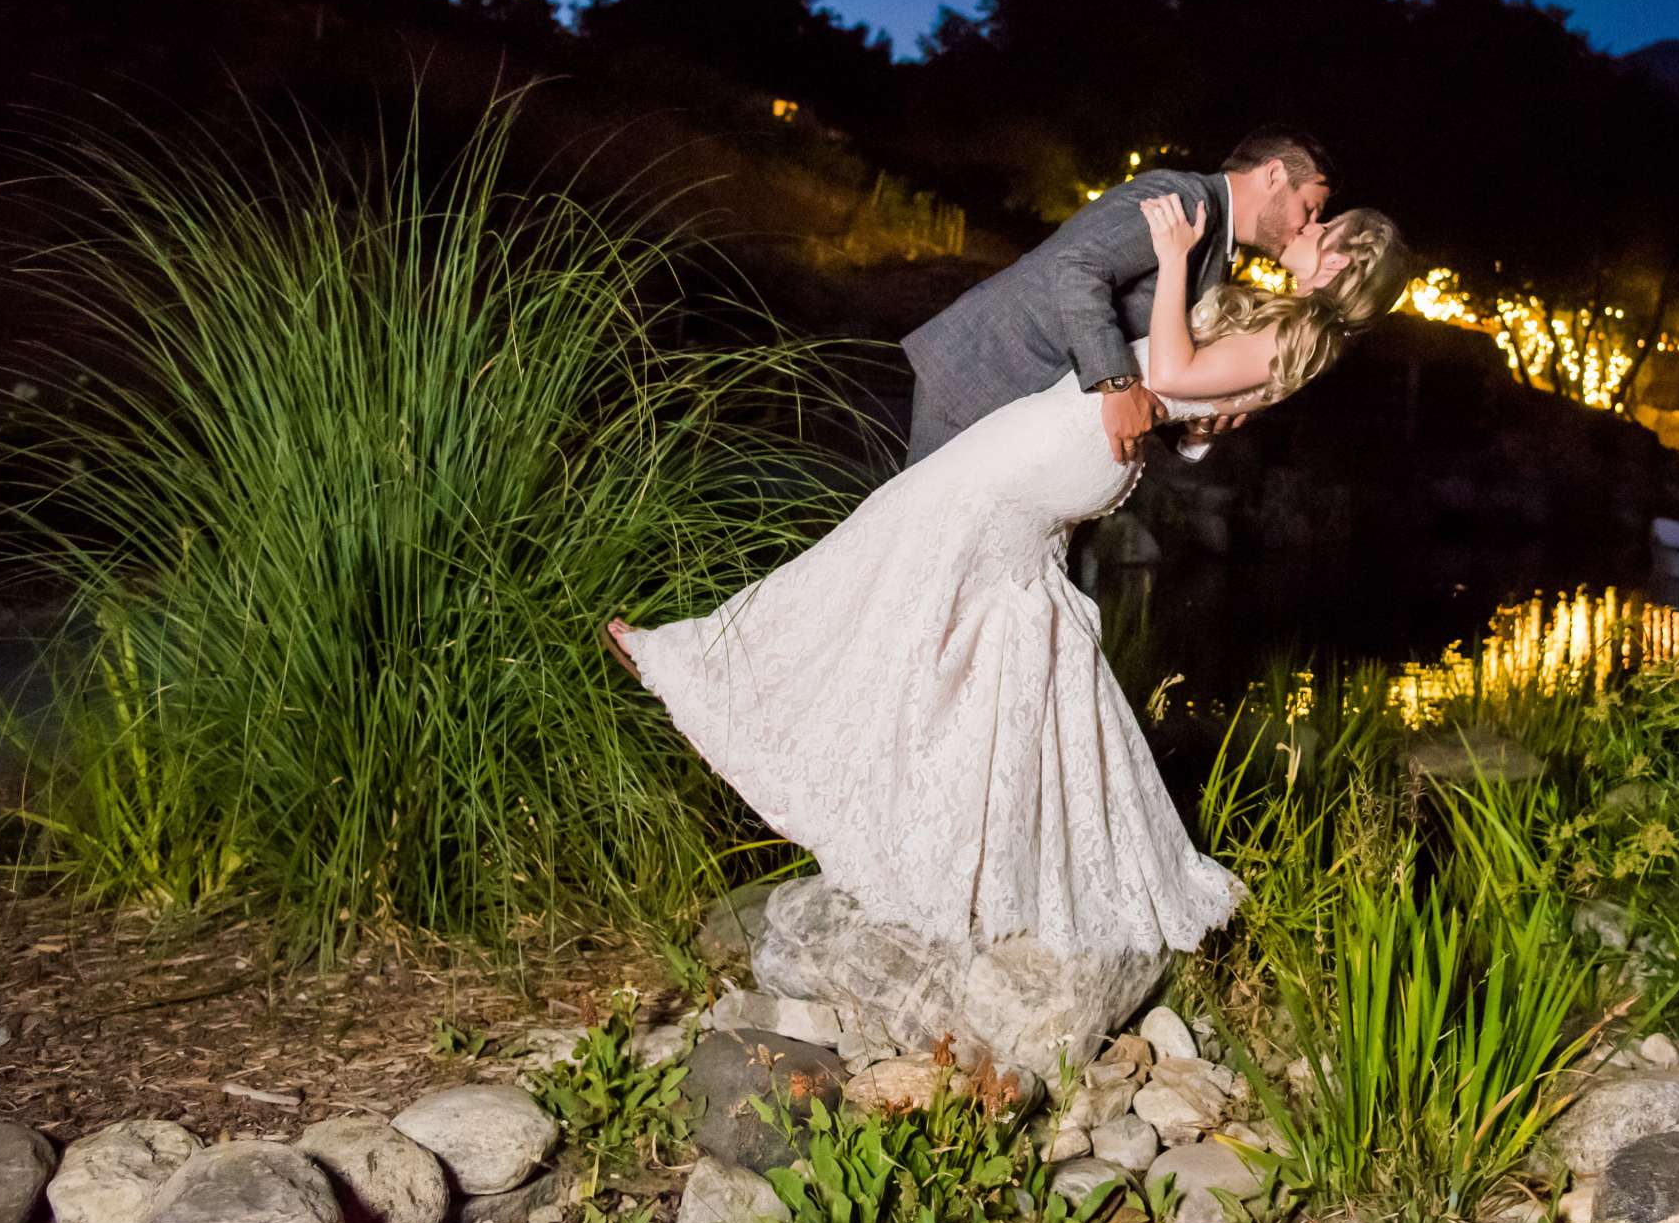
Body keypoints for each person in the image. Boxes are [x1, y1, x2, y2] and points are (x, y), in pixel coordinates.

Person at [603, 176, 1409, 961]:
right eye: (1313, 214)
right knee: (1003, 631)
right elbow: (1194, 428)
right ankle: (965, 842)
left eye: (1322, 230)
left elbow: (1160, 375)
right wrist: (1207, 404)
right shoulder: (1297, 329)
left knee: (885, 545)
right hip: (1073, 443)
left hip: (1059, 444)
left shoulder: (1286, 324)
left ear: (1342, 263)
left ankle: (708, 668)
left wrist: (1170, 260)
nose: (1308, 228)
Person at [898, 128, 1335, 467]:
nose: (1309, 223)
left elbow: (1151, 346)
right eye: (1310, 207)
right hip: (984, 371)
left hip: (1025, 404)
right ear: (1274, 174)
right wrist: (1116, 382)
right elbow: (1074, 267)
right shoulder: (1185, 200)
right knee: (916, 545)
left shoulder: (1219, 250)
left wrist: (1193, 421)